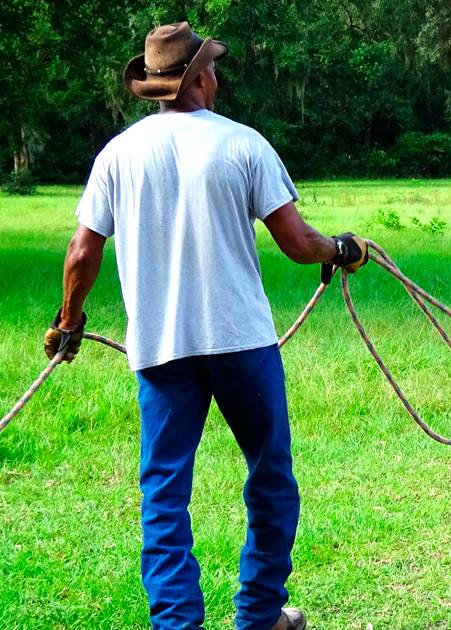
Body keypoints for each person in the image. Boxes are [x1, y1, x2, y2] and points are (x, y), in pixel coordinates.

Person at [43, 22, 366, 630]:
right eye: (212, 66)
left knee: (165, 494)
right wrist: (342, 249)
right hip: (242, 341)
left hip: (161, 351)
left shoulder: (118, 154)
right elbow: (298, 243)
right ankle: (261, 614)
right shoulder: (243, 144)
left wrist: (69, 321)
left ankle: (176, 623)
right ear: (197, 78)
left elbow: (82, 253)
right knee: (270, 476)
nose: (217, 76)